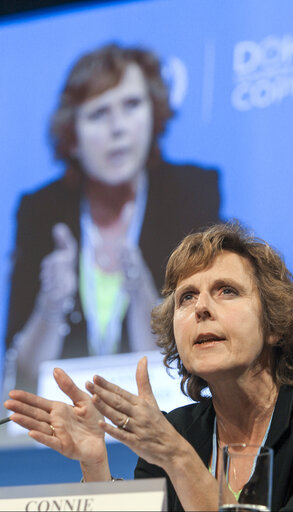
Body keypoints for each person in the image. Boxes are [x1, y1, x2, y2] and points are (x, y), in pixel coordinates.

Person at [5, 221, 293, 511]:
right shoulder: (177, 430)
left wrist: (176, 456)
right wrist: (95, 464)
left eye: (227, 291)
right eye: (187, 297)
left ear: (275, 326)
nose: (202, 308)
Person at [4, 43, 220, 393]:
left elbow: (194, 361)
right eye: (99, 113)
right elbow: (22, 376)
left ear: (154, 116)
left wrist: (139, 290)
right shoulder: (40, 210)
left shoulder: (191, 193)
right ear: (73, 137)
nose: (118, 127)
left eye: (132, 105)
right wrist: (50, 306)